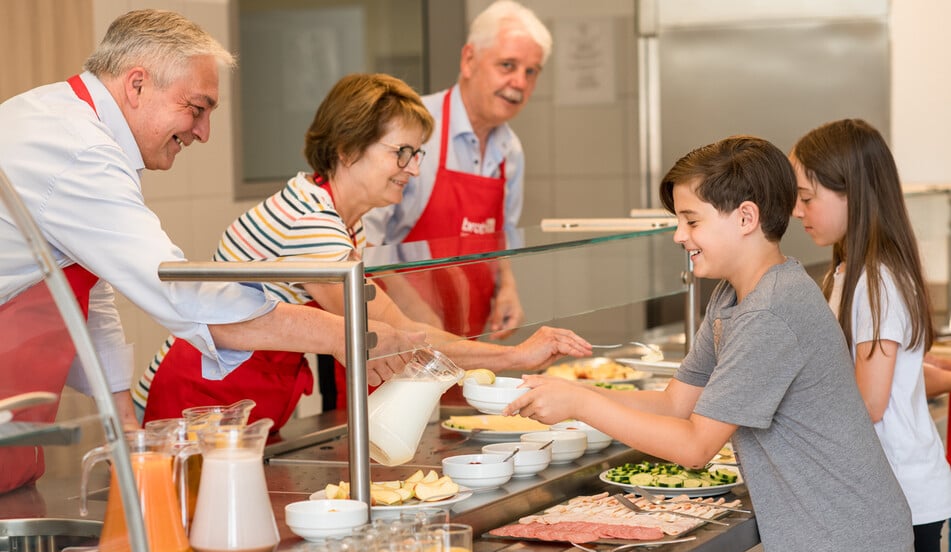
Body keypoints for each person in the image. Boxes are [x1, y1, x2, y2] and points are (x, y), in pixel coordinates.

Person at [505, 136, 917, 552]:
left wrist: (580, 405)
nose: (679, 235)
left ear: (746, 218)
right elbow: (676, 402)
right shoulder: (731, 296)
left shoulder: (773, 311)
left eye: (691, 220)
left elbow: (695, 445)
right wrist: (576, 394)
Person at [0, 10, 419, 494]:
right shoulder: (80, 152)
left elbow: (91, 296)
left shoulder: (65, 122)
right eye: (196, 108)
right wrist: (347, 335)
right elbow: (185, 294)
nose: (203, 132)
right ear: (137, 85)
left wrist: (125, 430)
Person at [135, 73, 590, 428]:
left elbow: (410, 327)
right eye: (402, 152)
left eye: (419, 154)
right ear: (349, 147)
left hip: (242, 396)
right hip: (197, 398)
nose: (413, 169)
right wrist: (512, 357)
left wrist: (467, 359)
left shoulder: (335, 216)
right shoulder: (310, 225)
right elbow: (391, 336)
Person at [790, 118, 951, 552]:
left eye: (808, 198)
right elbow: (895, 381)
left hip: (900, 497)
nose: (797, 211)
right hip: (891, 492)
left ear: (851, 194)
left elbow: (869, 403)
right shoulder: (848, 272)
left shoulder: (875, 280)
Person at [362, 0, 552, 340]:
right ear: (468, 60)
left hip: (466, 336)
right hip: (392, 337)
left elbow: (501, 237)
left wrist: (507, 289)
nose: (519, 82)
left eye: (531, 71)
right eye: (507, 65)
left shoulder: (511, 150)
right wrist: (415, 316)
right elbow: (362, 242)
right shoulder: (413, 128)